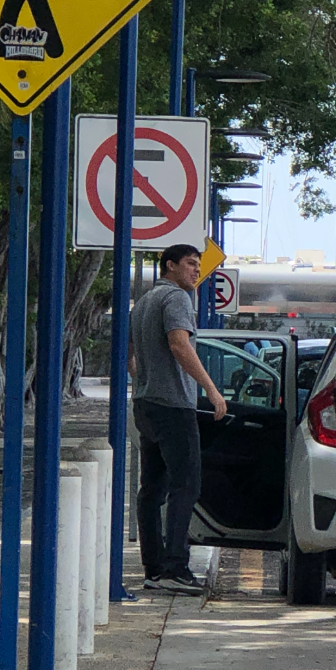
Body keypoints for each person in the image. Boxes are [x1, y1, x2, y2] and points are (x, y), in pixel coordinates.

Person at [128, 243, 227, 595]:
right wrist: (212, 390)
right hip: (174, 405)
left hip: (146, 404)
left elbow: (130, 354)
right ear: (169, 266)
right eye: (189, 264)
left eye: (198, 264)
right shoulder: (176, 299)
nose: (196, 270)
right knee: (186, 485)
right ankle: (175, 567)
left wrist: (143, 380)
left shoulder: (142, 304)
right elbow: (179, 344)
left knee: (151, 489)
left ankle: (153, 568)